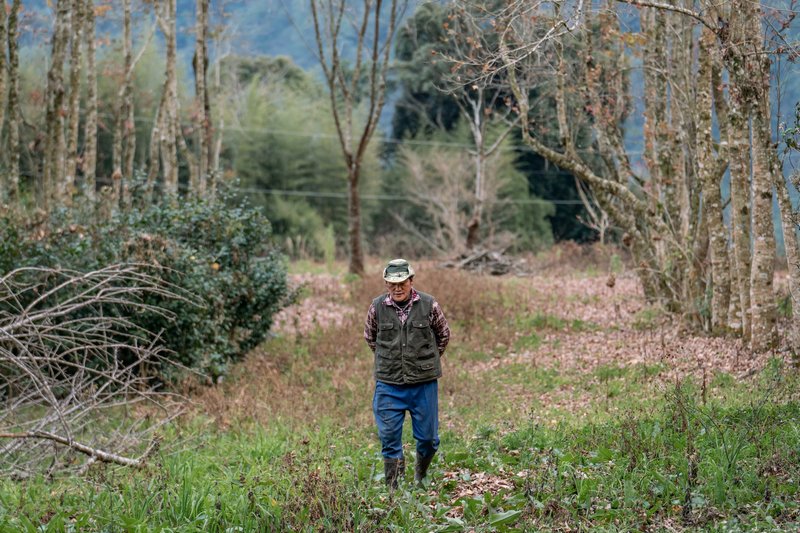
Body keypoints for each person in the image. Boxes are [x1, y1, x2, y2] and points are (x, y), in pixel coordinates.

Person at [364, 258, 451, 489]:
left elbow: (443, 336)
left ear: (411, 281)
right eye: (392, 284)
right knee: (389, 438)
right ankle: (394, 491)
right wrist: (393, 362)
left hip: (423, 384)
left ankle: (420, 476)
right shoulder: (377, 306)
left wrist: (422, 363)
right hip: (388, 384)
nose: (397, 288)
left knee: (429, 440)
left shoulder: (429, 304)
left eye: (402, 282)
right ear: (385, 284)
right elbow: (371, 338)